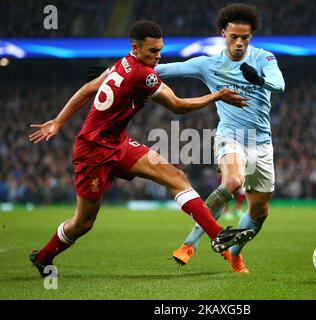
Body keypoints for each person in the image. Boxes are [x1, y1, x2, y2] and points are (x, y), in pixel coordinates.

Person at [28, 20, 256, 278]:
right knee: (83, 223)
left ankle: (218, 235)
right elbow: (178, 106)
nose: (158, 56)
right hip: (93, 153)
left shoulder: (122, 62)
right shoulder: (142, 75)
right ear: (135, 48)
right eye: (152, 51)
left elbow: (88, 89)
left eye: (160, 50)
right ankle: (43, 257)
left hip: (118, 143)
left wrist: (59, 121)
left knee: (177, 178)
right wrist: (217, 95)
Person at [155, 4, 285, 273]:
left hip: (262, 143)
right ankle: (189, 243)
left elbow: (279, 84)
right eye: (233, 37)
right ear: (223, 33)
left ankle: (235, 255)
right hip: (230, 135)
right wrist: (118, 71)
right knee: (233, 181)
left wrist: (259, 80)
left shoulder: (264, 59)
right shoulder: (209, 65)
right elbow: (166, 70)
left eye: (245, 38)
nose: (239, 43)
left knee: (260, 212)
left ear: (251, 37)